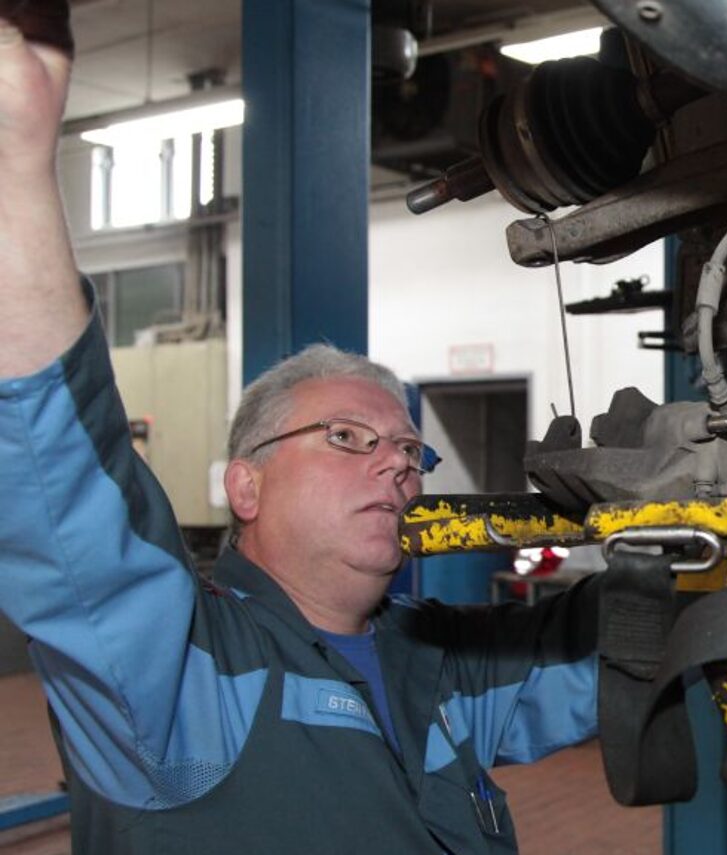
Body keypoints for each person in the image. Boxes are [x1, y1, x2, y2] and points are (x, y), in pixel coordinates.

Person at [0, 7, 600, 853]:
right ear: (244, 481)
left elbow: (608, 655)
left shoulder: (437, 661)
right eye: (349, 438)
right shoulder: (179, 672)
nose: (397, 465)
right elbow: (58, 483)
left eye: (407, 450)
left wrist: (671, 543)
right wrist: (16, 163)